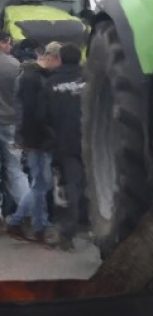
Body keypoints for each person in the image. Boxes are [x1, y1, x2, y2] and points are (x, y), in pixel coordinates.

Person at [4, 42, 60, 243]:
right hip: (35, 138)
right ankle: (30, 222)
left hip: (31, 136)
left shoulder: (31, 75)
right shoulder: (28, 76)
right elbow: (32, 113)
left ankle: (28, 222)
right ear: (52, 57)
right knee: (39, 182)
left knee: (39, 182)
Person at [45, 43, 87, 250]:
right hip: (90, 139)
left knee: (69, 184)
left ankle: (68, 230)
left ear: (60, 59)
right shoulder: (91, 79)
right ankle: (88, 221)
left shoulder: (52, 82)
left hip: (64, 141)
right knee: (90, 182)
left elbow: (42, 114)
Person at [0, 31, 30, 218]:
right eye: (8, 43)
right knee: (15, 169)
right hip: (11, 124)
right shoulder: (15, 65)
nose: (10, 47)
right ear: (3, 42)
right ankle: (29, 211)